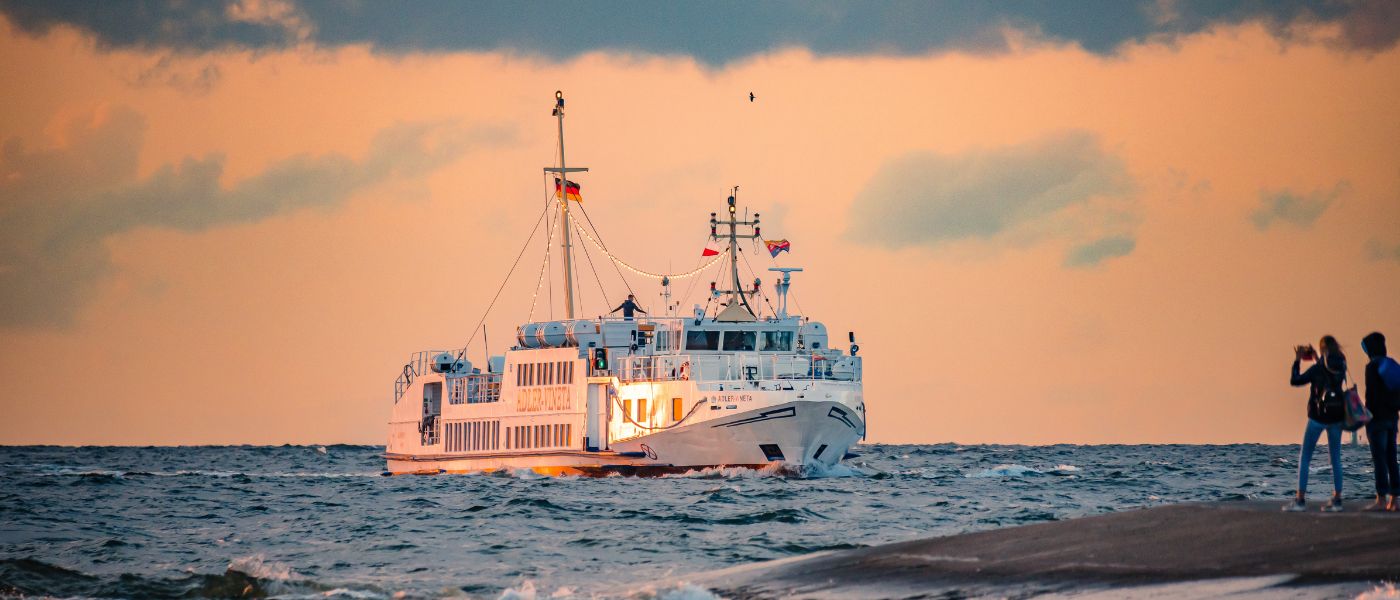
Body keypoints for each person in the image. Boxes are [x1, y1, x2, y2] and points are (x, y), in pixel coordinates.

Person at [1285, 335, 1348, 512]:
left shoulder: (1317, 369)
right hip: (1337, 417)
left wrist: (1297, 360)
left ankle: (1300, 500)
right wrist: (1316, 358)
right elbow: (1329, 370)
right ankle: (1337, 500)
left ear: (1322, 350)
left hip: (1317, 417)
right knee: (1336, 458)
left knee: (1305, 457)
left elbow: (1295, 380)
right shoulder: (1341, 366)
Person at [1362, 332, 1400, 511]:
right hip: (1392, 418)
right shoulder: (1390, 364)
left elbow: (1371, 396)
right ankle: (1395, 500)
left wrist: (1367, 416)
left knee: (1379, 459)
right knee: (1392, 458)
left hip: (1377, 420)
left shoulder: (1371, 367)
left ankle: (1381, 498)